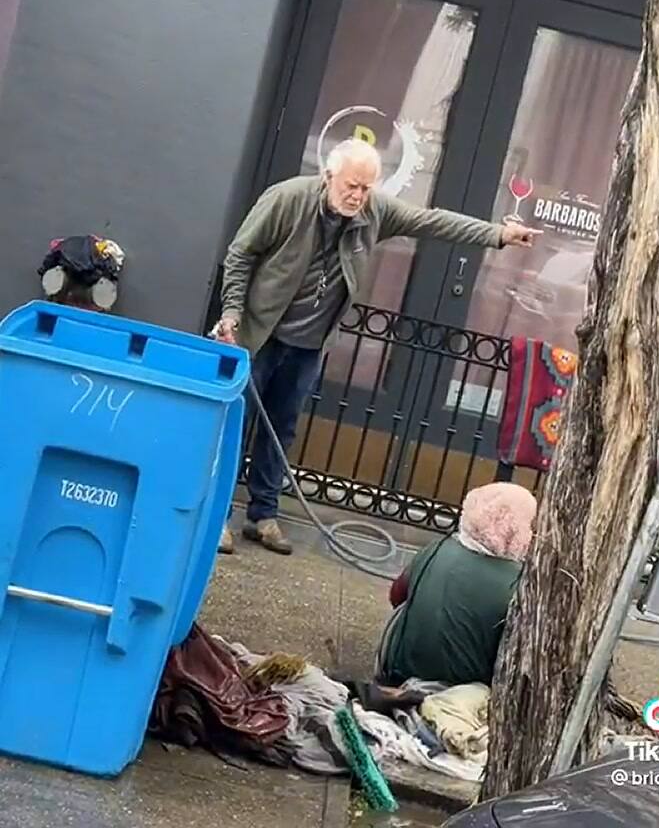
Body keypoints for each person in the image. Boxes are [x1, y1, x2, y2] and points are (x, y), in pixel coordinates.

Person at [216, 139, 541, 555]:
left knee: (281, 428)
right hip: (260, 336)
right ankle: (219, 516)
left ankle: (263, 514)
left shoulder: (373, 213)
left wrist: (498, 234)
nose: (358, 196)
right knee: (236, 425)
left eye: (367, 188)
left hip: (308, 344)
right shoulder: (287, 199)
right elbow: (241, 254)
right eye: (352, 186)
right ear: (329, 176)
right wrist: (232, 313)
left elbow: (432, 221)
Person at [375, 482, 537, 688]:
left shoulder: (437, 549)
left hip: (398, 674)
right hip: (461, 693)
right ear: (518, 529)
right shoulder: (519, 584)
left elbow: (397, 596)